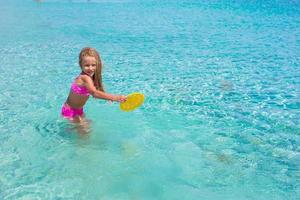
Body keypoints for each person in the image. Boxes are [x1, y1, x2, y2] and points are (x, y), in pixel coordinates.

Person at [61, 47, 126, 123]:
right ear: (80, 64)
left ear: (97, 64)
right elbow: (94, 93)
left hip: (77, 110)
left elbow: (96, 91)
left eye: (93, 65)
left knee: (88, 126)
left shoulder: (89, 77)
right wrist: (115, 97)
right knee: (85, 132)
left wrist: (108, 98)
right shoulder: (85, 78)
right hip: (70, 112)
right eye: (87, 65)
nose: (90, 68)